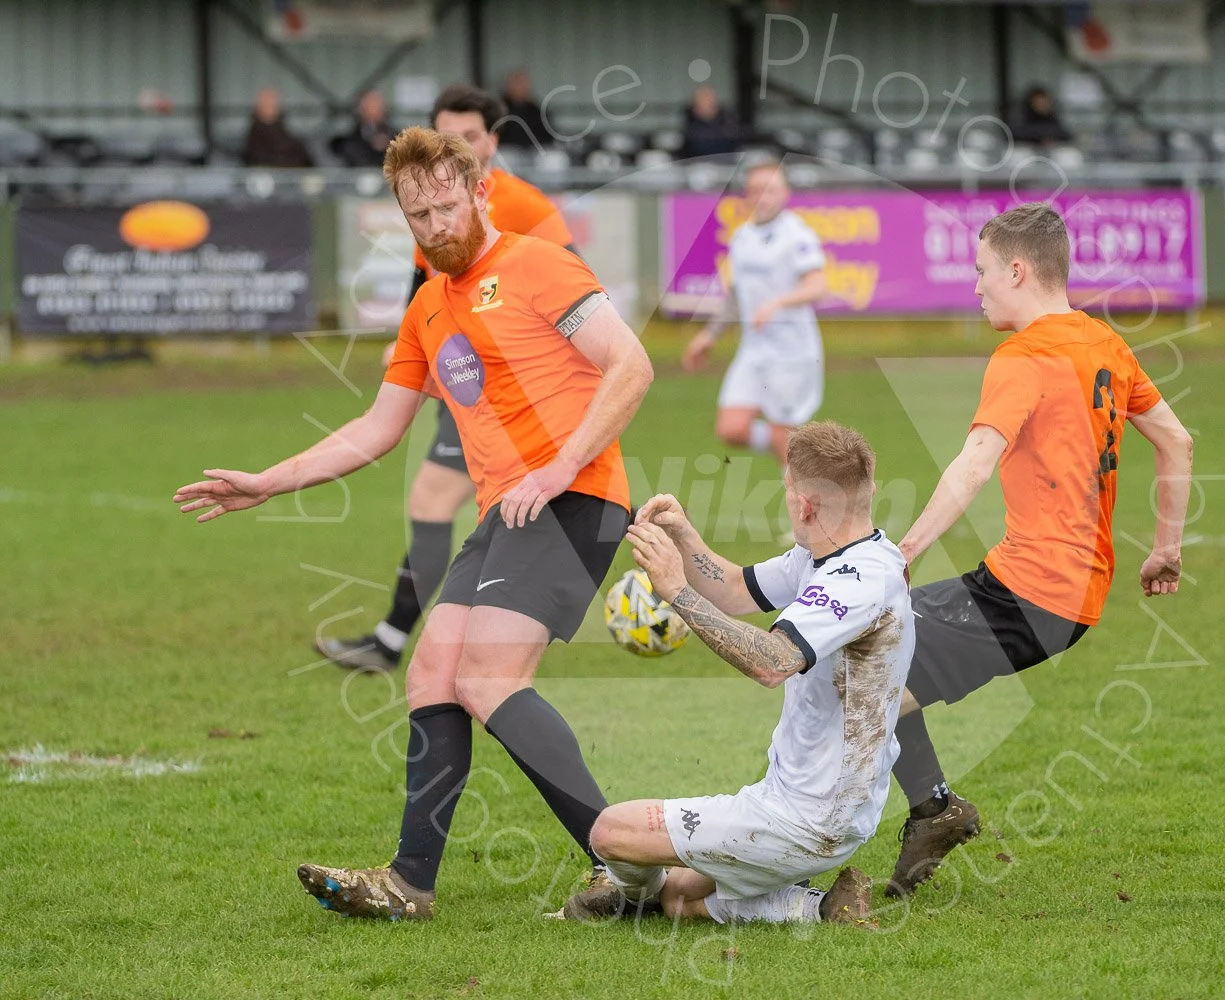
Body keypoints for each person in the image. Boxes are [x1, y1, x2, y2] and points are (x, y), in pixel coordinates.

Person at [175, 127, 654, 921]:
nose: (435, 227)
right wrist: (268, 481)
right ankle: (409, 885)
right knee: (433, 675)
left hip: (577, 499)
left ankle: (628, 867)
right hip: (509, 512)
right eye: (417, 215)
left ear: (478, 192)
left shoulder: (539, 264)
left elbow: (631, 364)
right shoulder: (428, 308)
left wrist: (562, 466)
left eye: (444, 206)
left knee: (488, 679)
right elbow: (376, 427)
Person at [879, 202, 1194, 898]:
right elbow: (1178, 440)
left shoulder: (1022, 357)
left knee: (862, 664)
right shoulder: (1104, 343)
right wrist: (1164, 549)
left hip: (1032, 590)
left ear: (1017, 269)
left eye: (983, 271)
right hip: (1063, 592)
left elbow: (972, 464)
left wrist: (903, 552)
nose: (976, 286)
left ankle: (888, 821)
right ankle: (931, 812)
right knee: (877, 676)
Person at [557, 421, 911, 926]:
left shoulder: (858, 581)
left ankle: (625, 898)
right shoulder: (836, 554)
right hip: (812, 805)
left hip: (809, 816)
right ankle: (820, 909)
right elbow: (736, 589)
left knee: (611, 832)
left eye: (787, 488)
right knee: (680, 897)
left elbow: (772, 662)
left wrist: (677, 591)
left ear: (805, 505)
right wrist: (685, 538)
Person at [315, 83, 577, 673]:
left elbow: (576, 288)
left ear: (493, 141)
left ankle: (401, 638)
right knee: (473, 504)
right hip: (461, 384)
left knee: (447, 499)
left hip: (509, 393)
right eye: (443, 135)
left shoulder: (527, 207)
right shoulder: (434, 204)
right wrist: (407, 348)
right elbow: (426, 295)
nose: (453, 146)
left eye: (466, 136)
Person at [682, 161, 827, 468]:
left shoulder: (797, 234)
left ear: (785, 193)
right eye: (756, 190)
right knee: (731, 428)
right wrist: (709, 336)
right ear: (746, 195)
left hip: (791, 353)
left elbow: (818, 285)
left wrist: (778, 303)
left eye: (770, 189)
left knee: (782, 436)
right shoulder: (742, 237)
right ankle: (802, 454)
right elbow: (736, 295)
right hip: (753, 350)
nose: (763, 196)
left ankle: (799, 500)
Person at [242, 87, 313, 167]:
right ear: (258, 106)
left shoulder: (285, 133)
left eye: (272, 101)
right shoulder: (254, 136)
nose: (269, 104)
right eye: (265, 101)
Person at [332, 89, 395, 168]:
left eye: (377, 106)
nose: (374, 110)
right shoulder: (349, 141)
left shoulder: (396, 136)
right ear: (361, 110)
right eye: (370, 106)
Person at [679, 85, 740, 160]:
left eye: (708, 101)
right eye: (701, 103)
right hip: (695, 167)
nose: (705, 106)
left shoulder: (728, 124)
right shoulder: (690, 126)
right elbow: (686, 151)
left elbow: (733, 148)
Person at [498, 69, 550, 148]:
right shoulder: (500, 108)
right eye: (517, 83)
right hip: (509, 149)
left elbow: (547, 136)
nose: (521, 87)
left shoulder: (535, 109)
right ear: (508, 86)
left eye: (523, 83)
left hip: (533, 150)